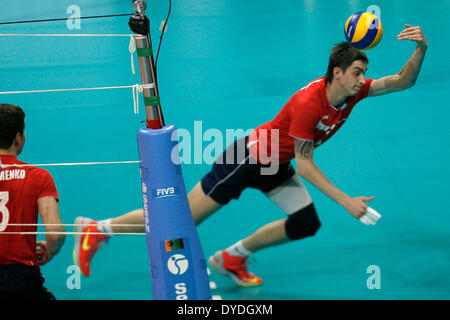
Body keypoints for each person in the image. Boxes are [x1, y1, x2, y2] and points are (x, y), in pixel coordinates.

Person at [73, 24, 427, 286]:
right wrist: (345, 201)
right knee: (184, 218)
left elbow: (402, 82)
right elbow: (306, 164)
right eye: (357, 73)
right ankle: (98, 228)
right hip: (247, 160)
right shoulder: (309, 103)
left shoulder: (352, 93)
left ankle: (231, 257)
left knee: (305, 223)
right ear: (336, 72)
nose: (363, 79)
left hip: (276, 163)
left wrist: (421, 49)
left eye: (363, 73)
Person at [0, 104, 65, 300]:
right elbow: (55, 233)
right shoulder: (38, 177)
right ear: (18, 137)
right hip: (19, 278)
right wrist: (50, 250)